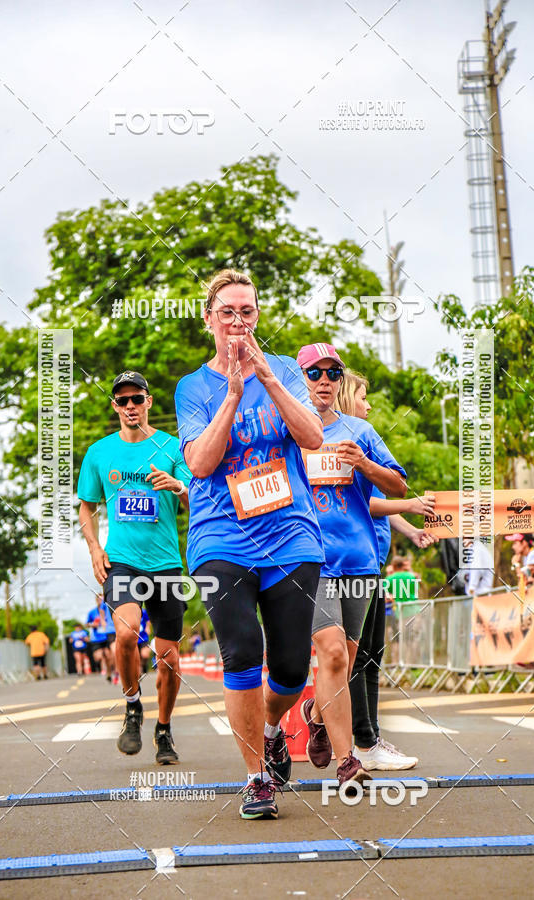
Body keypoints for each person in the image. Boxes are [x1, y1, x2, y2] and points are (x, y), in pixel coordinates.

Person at [175, 269, 325, 821]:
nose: (238, 321)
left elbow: (312, 437)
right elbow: (200, 463)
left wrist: (266, 378)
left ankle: (272, 728)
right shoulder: (193, 387)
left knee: (290, 666)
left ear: (257, 316)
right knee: (241, 651)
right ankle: (256, 778)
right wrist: (234, 394)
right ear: (209, 319)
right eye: (227, 312)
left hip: (290, 533)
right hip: (221, 536)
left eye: (247, 311)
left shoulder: (283, 368)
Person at [296, 343, 407, 782]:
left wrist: (364, 464)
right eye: (314, 373)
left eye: (332, 374)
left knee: (346, 659)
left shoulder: (359, 430)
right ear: (301, 380)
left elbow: (398, 486)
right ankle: (349, 762)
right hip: (309, 560)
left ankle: (315, 714)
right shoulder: (286, 431)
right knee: (332, 651)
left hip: (359, 560)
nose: (324, 381)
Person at [78, 370, 192, 765]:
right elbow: (87, 507)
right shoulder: (99, 452)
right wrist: (94, 548)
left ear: (149, 402)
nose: (130, 406)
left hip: (166, 564)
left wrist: (177, 486)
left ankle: (164, 729)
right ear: (115, 406)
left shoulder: (172, 448)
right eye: (123, 400)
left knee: (169, 658)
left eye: (137, 399)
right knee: (126, 633)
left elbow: (196, 498)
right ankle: (132, 706)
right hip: (122, 562)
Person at [339, 369, 436, 770]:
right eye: (363, 396)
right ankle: (363, 739)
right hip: (347, 564)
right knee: (358, 655)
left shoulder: (362, 442)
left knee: (372, 654)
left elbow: (380, 502)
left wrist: (411, 530)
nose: (368, 405)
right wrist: (410, 504)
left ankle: (368, 736)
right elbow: (366, 504)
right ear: (347, 397)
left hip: (372, 558)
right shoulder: (340, 442)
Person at [86, 594, 115, 679]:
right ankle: (105, 669)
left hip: (106, 637)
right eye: (99, 599)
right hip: (96, 638)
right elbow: (86, 624)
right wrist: (93, 625)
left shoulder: (108, 610)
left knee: (108, 656)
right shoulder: (92, 612)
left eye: (102, 599)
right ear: (96, 601)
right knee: (99, 656)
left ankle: (108, 672)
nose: (100, 601)